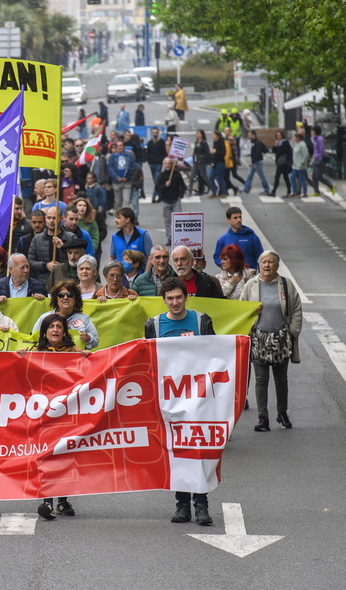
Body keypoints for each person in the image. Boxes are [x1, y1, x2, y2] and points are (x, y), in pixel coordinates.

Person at [144, 277, 215, 526]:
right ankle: (182, 505)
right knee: (178, 453)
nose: (175, 302)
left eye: (178, 297)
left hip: (198, 399)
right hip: (170, 401)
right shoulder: (153, 324)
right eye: (170, 298)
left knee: (199, 452)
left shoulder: (201, 320)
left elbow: (216, 355)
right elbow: (149, 362)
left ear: (186, 297)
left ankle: (202, 506)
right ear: (163, 300)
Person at [17, 312, 88, 520]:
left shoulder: (74, 352)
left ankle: (63, 500)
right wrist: (20, 358)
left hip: (67, 412)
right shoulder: (35, 351)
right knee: (46, 456)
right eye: (51, 327)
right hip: (43, 413)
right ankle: (47, 500)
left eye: (59, 326)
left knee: (65, 456)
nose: (55, 330)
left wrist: (86, 358)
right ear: (44, 332)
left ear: (64, 331)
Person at [241, 251, 303, 432]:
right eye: (263, 262)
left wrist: (292, 331)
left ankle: (282, 413)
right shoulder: (251, 285)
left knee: (281, 379)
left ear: (277, 266)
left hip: (280, 340)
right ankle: (263, 418)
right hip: (259, 339)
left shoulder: (286, 284)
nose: (267, 265)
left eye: (270, 262)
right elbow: (241, 308)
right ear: (258, 265)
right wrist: (252, 315)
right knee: (261, 380)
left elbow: (297, 309)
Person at [30, 280, 99, 350]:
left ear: (75, 299)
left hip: (76, 358)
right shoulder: (44, 317)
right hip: (48, 358)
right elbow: (33, 340)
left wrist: (88, 338)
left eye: (70, 295)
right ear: (56, 300)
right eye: (61, 295)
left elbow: (96, 341)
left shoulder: (84, 318)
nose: (65, 298)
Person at [155, 158, 186, 247]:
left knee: (178, 221)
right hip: (165, 201)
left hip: (176, 200)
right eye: (166, 163)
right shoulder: (161, 175)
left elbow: (182, 186)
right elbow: (157, 188)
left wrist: (181, 195)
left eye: (169, 163)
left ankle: (178, 237)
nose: (167, 165)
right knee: (167, 221)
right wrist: (165, 185)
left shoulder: (177, 174)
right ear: (164, 165)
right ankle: (170, 238)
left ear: (172, 165)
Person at [242, 130, 271, 195]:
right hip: (255, 162)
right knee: (249, 175)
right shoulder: (254, 142)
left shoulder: (258, 142)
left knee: (261, 176)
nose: (248, 136)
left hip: (257, 162)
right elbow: (265, 150)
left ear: (253, 135)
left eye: (249, 135)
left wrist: (252, 162)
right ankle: (245, 190)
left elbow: (258, 153)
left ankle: (267, 190)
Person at [271, 130, 293, 197]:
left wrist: (288, 161)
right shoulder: (278, 143)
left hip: (283, 163)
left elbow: (288, 152)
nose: (278, 137)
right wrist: (275, 145)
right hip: (280, 162)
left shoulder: (285, 142)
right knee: (285, 177)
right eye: (277, 136)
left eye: (280, 135)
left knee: (277, 177)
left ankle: (274, 191)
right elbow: (273, 151)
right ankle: (289, 191)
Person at [207, 131, 228, 198]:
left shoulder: (221, 142)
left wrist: (215, 152)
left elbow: (223, 153)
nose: (212, 136)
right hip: (215, 162)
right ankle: (214, 191)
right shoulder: (215, 142)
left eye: (214, 135)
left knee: (220, 178)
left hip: (220, 162)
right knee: (211, 177)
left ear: (217, 136)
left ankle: (224, 192)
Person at [189, 130, 210, 196]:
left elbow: (207, 153)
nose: (198, 135)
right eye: (197, 134)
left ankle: (212, 187)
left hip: (202, 162)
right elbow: (195, 152)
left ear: (202, 135)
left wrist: (208, 162)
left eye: (199, 134)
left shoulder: (204, 143)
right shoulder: (196, 142)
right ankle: (190, 191)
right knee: (192, 176)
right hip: (196, 162)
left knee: (204, 176)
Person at [291, 131, 310, 198]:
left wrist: (302, 162)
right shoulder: (297, 144)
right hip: (295, 165)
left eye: (295, 137)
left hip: (301, 166)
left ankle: (304, 192)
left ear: (298, 138)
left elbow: (305, 154)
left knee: (302, 179)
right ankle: (294, 191)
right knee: (292, 177)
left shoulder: (302, 144)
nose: (294, 139)